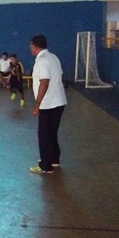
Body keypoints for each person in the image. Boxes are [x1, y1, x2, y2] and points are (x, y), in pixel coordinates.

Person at [29, 34, 67, 174]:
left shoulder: (41, 61)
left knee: (44, 135)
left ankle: (46, 166)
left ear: (36, 47)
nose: (30, 48)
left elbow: (44, 82)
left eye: (31, 46)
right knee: (52, 132)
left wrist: (37, 104)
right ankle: (54, 159)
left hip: (48, 104)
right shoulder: (53, 57)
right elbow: (60, 76)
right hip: (59, 102)